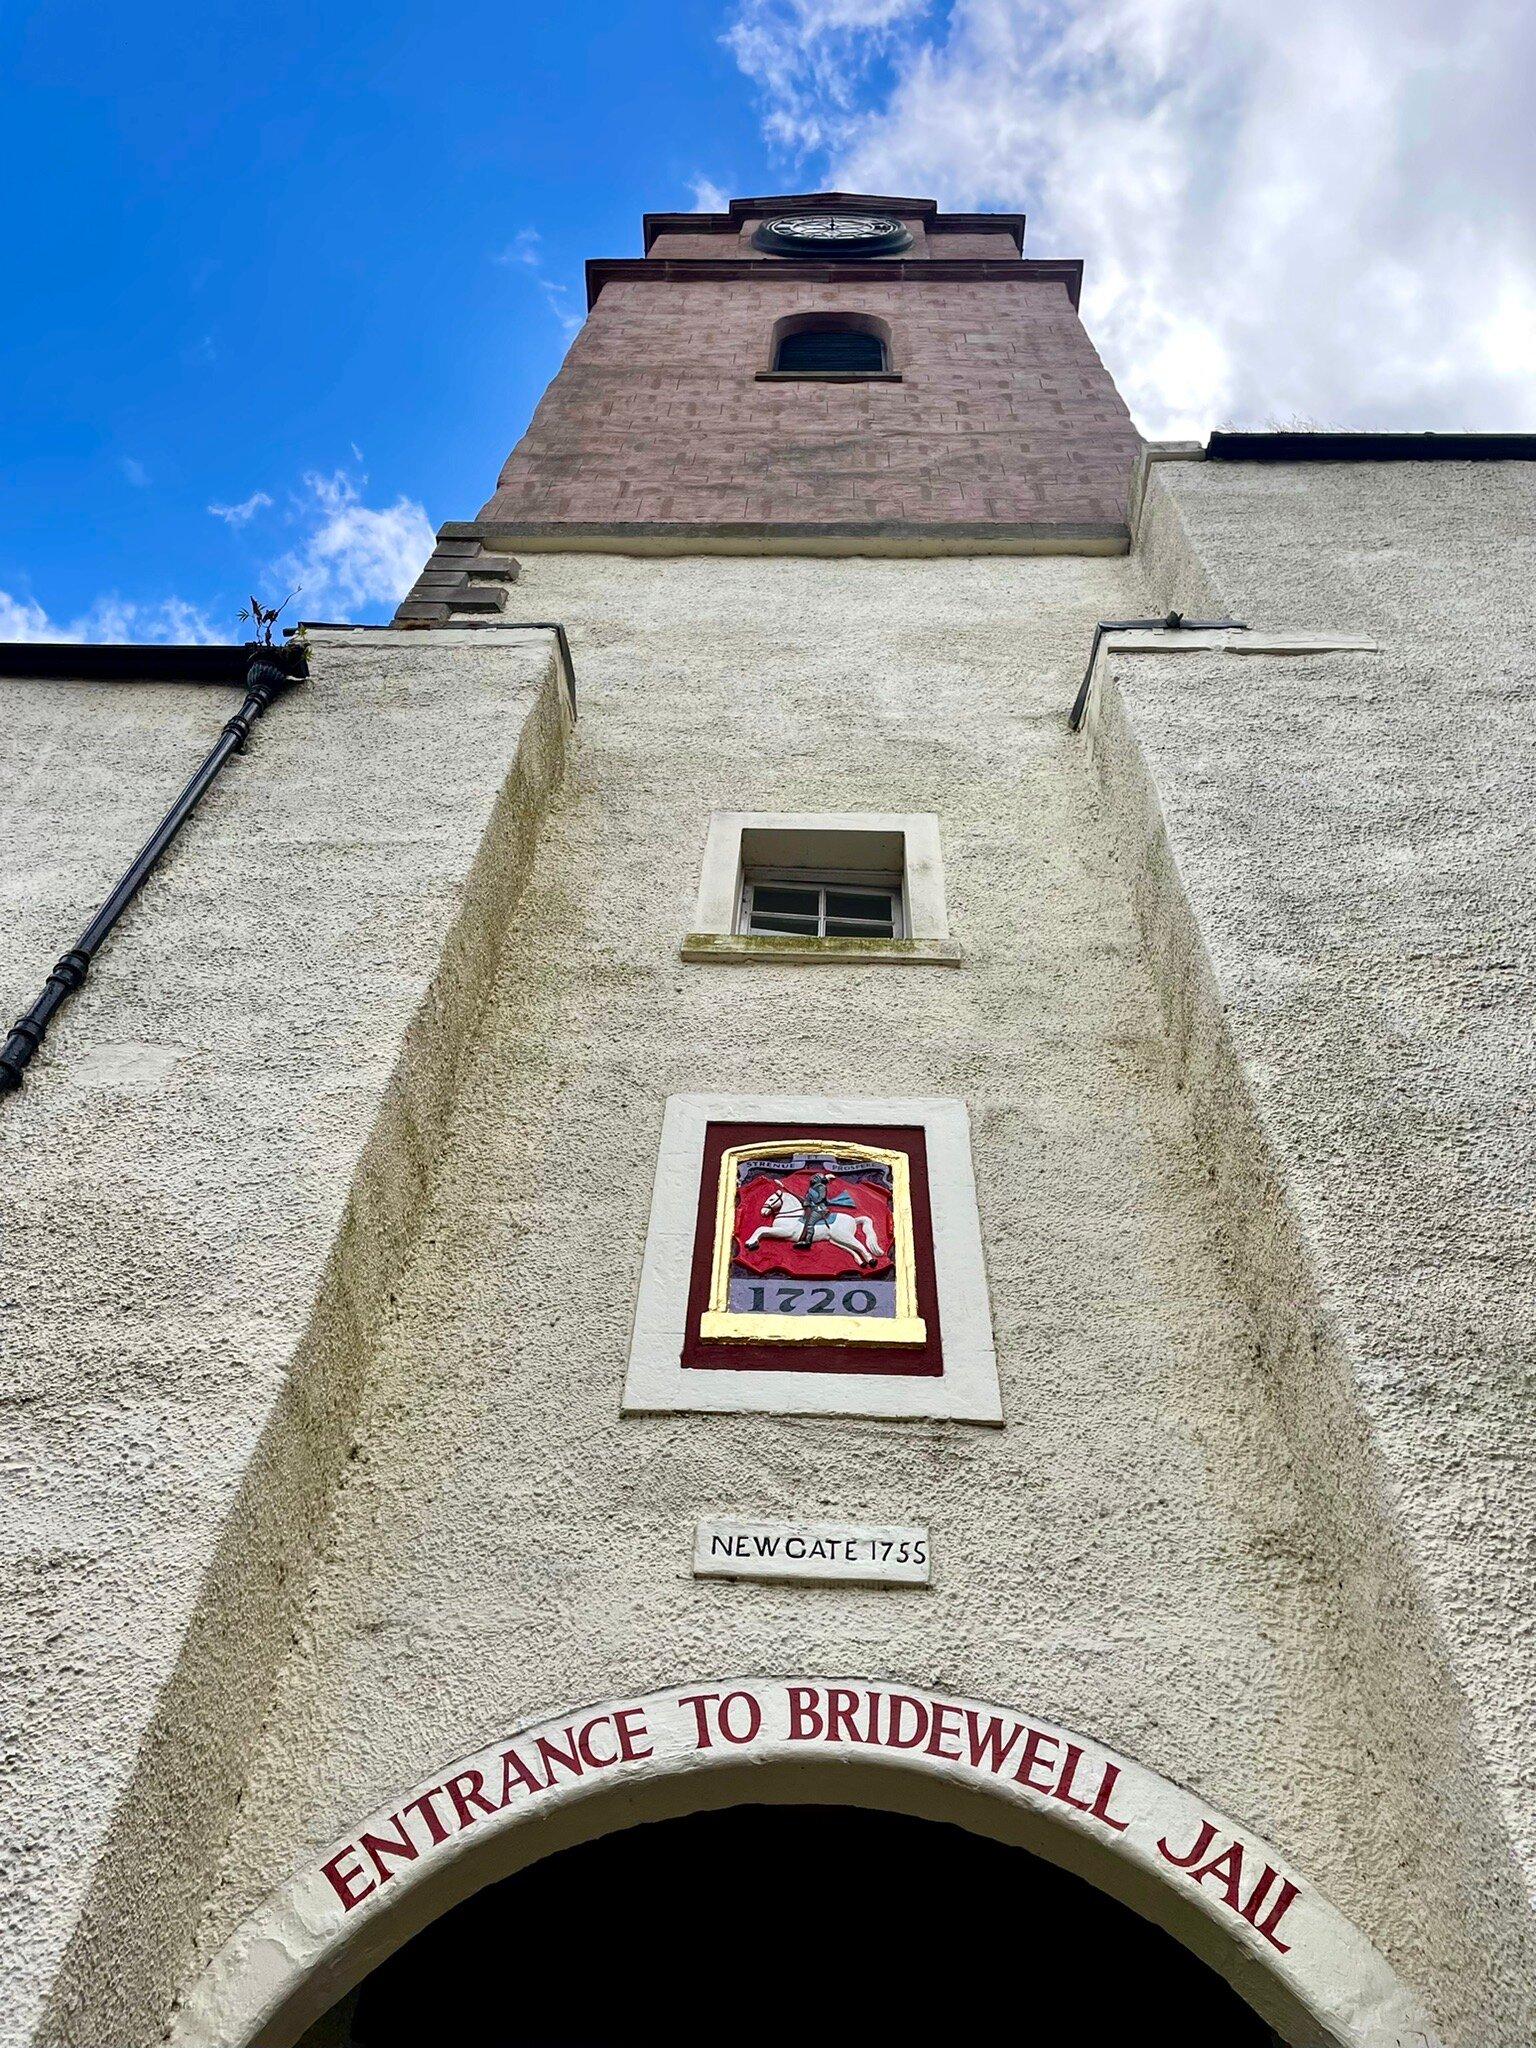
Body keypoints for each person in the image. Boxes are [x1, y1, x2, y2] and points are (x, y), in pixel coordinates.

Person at [795, 1171, 856, 1248]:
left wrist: (811, 1197)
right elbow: (807, 1201)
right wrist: (805, 1202)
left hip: (819, 1209)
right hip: (812, 1208)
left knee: (810, 1223)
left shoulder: (822, 1187)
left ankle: (808, 1241)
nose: (813, 1179)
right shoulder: (811, 1188)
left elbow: (819, 1199)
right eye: (814, 1178)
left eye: (816, 1178)